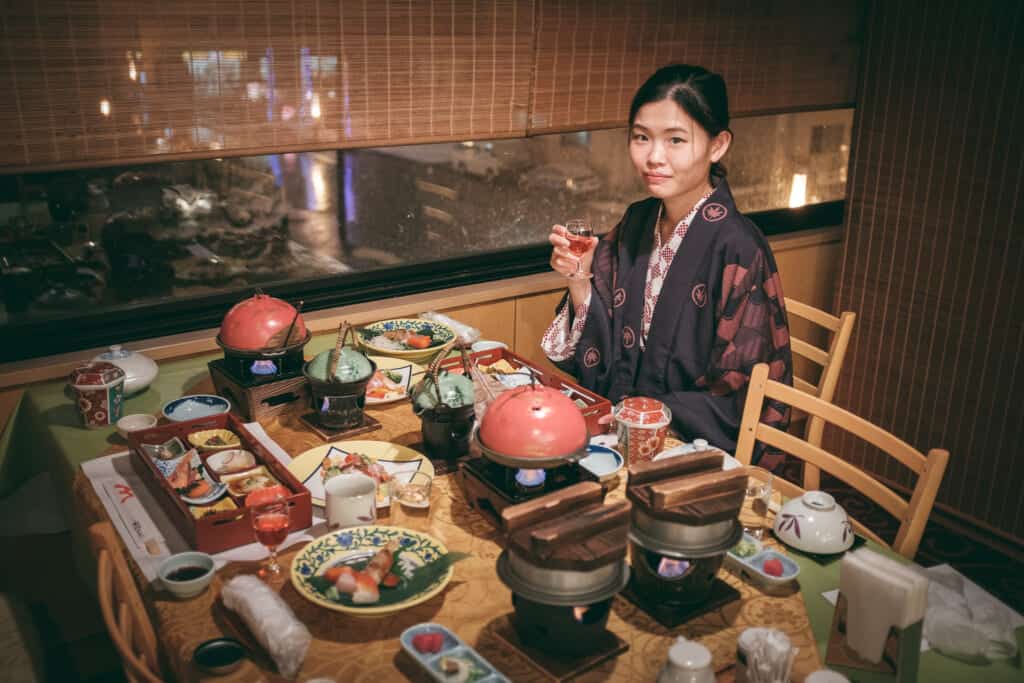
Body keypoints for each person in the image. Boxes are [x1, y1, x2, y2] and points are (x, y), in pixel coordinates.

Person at [542, 64, 793, 468]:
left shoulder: (739, 248)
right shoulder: (638, 220)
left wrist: (646, 419)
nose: (654, 157)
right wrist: (579, 276)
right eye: (641, 138)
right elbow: (601, 341)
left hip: (690, 452)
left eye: (676, 140)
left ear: (718, 145)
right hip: (622, 435)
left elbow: (740, 394)